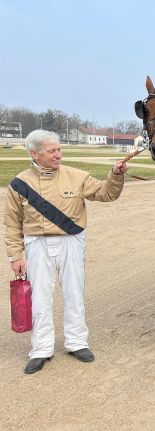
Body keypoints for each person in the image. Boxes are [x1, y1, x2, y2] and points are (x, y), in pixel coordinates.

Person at [5, 130, 128, 374]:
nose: (58, 155)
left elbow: (106, 193)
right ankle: (41, 349)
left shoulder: (77, 176)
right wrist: (16, 256)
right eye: (52, 151)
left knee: (74, 293)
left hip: (71, 241)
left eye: (59, 149)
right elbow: (12, 223)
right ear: (34, 154)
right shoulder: (19, 183)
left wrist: (115, 175)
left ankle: (77, 342)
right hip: (36, 244)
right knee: (39, 298)